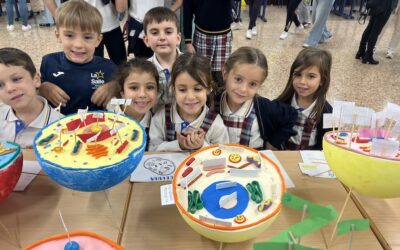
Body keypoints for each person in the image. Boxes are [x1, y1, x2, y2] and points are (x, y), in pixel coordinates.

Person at [39, 0, 118, 115]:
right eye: (69, 35)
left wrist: (115, 86)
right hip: (59, 128)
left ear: (98, 40)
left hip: (96, 128)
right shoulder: (48, 62)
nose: (78, 45)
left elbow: (126, 99)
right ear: (58, 35)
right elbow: (33, 91)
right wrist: (42, 88)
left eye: (87, 37)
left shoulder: (109, 67)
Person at [213, 47, 298, 150]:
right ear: (225, 73)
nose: (243, 89)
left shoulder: (264, 107)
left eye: (252, 84)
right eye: (238, 79)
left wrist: (273, 143)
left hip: (252, 164)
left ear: (260, 84)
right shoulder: (211, 103)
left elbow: (291, 115)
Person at [149, 53, 229, 151]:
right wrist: (178, 145)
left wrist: (201, 146)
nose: (190, 97)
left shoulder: (216, 125)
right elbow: (152, 150)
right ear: (174, 89)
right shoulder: (160, 118)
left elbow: (223, 155)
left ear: (208, 88)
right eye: (182, 90)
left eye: (197, 89)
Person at [0, 48, 63, 148]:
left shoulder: (61, 125)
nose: (10, 89)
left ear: (36, 79)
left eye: (16, 79)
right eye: (0, 85)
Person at [276, 48, 332, 150]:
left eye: (311, 76)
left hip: (310, 164)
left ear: (322, 80)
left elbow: (327, 146)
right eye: (298, 74)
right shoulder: (280, 104)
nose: (302, 81)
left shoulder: (328, 113)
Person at [43, 0, 127, 65]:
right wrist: (61, 19)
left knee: (120, 64)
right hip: (76, 24)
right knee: (89, 66)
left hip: (111, 21)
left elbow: (121, 8)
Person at [113, 58, 160, 149]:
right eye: (134, 88)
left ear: (157, 91)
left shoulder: (158, 121)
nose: (142, 94)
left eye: (150, 87)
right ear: (122, 92)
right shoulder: (107, 115)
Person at [183, 0, 232, 86]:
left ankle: (219, 98)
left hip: (224, 34)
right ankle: (204, 99)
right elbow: (187, 12)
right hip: (202, 35)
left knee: (222, 76)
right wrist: (188, 41)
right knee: (200, 74)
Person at [143, 7, 182, 105]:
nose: (162, 37)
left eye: (168, 32)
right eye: (155, 33)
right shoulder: (142, 69)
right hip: (154, 118)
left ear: (178, 38)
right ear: (146, 40)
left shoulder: (192, 65)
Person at [356, 0, 396, 64]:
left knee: (369, 28)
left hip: (376, 3)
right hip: (385, 5)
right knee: (375, 31)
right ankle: (368, 55)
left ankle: (360, 51)